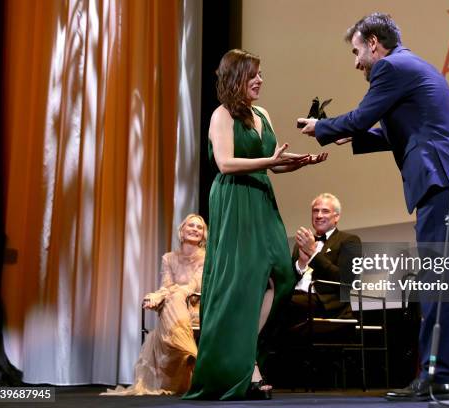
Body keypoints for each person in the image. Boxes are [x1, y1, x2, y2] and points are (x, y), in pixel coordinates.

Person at [298, 13, 449, 401]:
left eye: (356, 52)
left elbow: (366, 115)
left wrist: (323, 128)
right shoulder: (415, 65)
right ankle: (444, 375)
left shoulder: (389, 67)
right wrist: (350, 136)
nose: (357, 63)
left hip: (442, 182)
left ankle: (438, 376)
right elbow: (397, 129)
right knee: (446, 284)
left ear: (373, 43)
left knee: (438, 283)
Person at [184, 49, 327, 401]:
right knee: (241, 283)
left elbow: (273, 163)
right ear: (236, 79)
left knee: (281, 274)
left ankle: (244, 356)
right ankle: (245, 366)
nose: (260, 80)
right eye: (253, 75)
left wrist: (300, 162)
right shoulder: (221, 116)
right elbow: (226, 163)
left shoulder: (261, 113)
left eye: (260, 74)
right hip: (234, 199)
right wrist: (272, 160)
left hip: (261, 197)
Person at [101, 214, 207, 396]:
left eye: (199, 227)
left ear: (203, 235)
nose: (195, 229)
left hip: (196, 306)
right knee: (172, 300)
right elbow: (166, 285)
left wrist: (160, 296)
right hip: (174, 310)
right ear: (182, 231)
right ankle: (189, 352)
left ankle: (188, 351)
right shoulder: (169, 258)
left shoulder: (206, 258)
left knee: (174, 299)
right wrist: (159, 294)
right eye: (191, 225)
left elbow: (194, 285)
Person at [286, 193, 361, 329]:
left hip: (325, 302)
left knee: (282, 304)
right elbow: (288, 281)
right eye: (315, 210)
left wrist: (313, 254)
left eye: (325, 211)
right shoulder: (302, 243)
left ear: (336, 217)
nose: (319, 215)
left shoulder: (349, 240)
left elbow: (346, 280)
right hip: (297, 297)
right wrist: (301, 264)